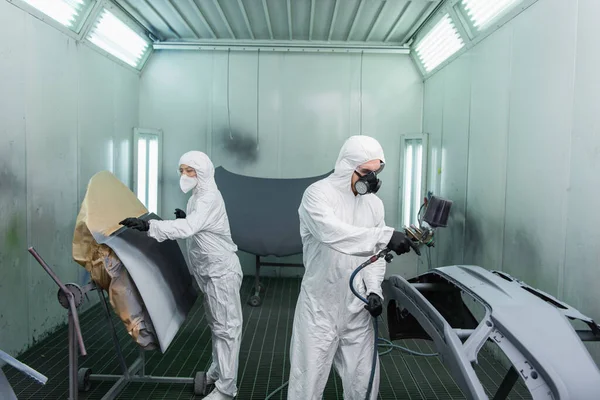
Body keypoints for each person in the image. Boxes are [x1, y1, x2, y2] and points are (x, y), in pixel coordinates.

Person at [287, 135, 417, 400]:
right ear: (347, 165)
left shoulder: (373, 205)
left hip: (356, 309)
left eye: (376, 172)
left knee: (364, 385)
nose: (371, 180)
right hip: (319, 310)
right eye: (366, 172)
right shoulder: (317, 195)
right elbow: (332, 234)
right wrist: (385, 236)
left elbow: (374, 256)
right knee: (306, 386)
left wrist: (373, 291)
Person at [119, 151, 243, 400]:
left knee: (227, 329)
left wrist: (150, 226)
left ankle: (226, 390)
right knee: (217, 326)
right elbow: (199, 225)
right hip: (210, 271)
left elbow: (189, 228)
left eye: (190, 171)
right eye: (182, 170)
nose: (184, 176)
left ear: (203, 172)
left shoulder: (208, 197)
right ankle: (218, 373)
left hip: (221, 272)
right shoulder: (198, 197)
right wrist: (186, 219)